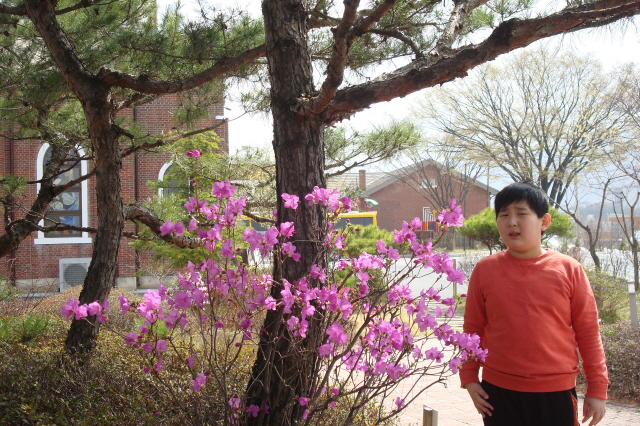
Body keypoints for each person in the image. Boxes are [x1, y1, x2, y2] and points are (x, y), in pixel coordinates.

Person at [460, 182, 608, 426]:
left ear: (544, 221)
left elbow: (588, 332)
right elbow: (473, 329)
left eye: (521, 214)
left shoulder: (569, 269)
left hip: (555, 392)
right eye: (504, 215)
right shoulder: (485, 270)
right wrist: (469, 377)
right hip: (498, 391)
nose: (512, 222)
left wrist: (597, 388)